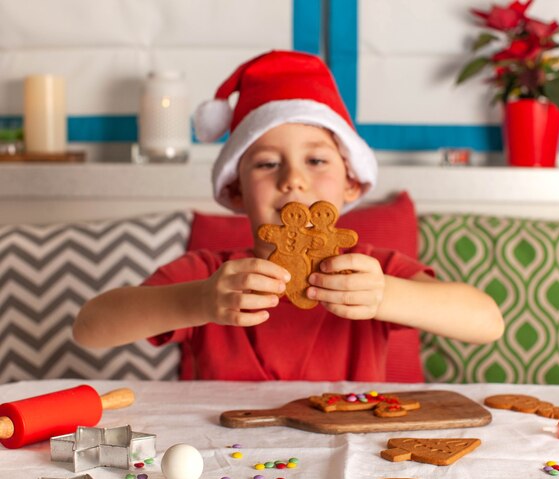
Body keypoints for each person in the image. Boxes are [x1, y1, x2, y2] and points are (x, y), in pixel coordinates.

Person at [73, 50, 504, 381]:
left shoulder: (372, 272)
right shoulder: (211, 276)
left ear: (351, 183)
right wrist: (198, 300)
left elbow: (486, 321)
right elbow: (90, 328)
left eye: (316, 161)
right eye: (265, 164)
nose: (294, 181)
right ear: (236, 190)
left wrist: (385, 296)